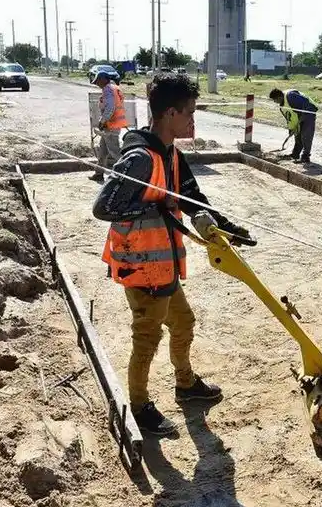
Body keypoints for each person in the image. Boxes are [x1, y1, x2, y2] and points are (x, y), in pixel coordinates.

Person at [93, 73, 257, 436]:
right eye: (189, 113)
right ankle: (139, 407)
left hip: (162, 265)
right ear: (169, 113)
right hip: (141, 266)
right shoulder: (139, 157)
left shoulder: (172, 155)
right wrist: (157, 208)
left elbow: (193, 199)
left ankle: (185, 384)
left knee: (183, 322)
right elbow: (104, 207)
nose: (192, 120)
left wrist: (228, 229)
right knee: (147, 337)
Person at [90, 70, 128, 182]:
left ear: (103, 79)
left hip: (111, 125)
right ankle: (98, 173)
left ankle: (127, 174)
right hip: (112, 125)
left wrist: (102, 121)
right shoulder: (115, 88)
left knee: (115, 152)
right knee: (103, 151)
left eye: (97, 81)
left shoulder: (108, 90)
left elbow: (110, 108)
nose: (97, 84)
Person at [269, 87, 318, 164]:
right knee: (297, 135)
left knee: (305, 135)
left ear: (279, 97)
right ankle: (295, 154)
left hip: (309, 112)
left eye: (275, 100)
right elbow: (290, 119)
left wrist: (301, 119)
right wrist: (291, 129)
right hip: (300, 115)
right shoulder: (282, 107)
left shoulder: (291, 96)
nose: (275, 102)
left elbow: (306, 105)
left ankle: (305, 157)